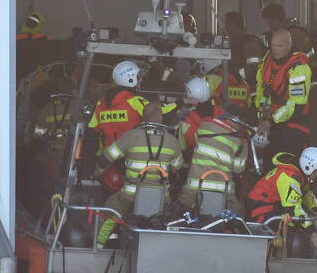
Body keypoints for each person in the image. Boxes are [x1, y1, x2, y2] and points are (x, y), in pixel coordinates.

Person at [96, 103, 184, 246]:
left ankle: (98, 245)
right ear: (160, 118)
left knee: (110, 213)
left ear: (143, 117)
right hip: (161, 197)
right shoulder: (172, 141)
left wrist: (97, 173)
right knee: (166, 219)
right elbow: (177, 168)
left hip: (130, 194)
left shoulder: (131, 136)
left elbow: (106, 158)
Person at [176, 107, 250, 215]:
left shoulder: (205, 126)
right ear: (239, 120)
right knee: (236, 214)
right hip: (223, 189)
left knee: (181, 212)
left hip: (194, 186)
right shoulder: (241, 141)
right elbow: (238, 170)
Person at [81, 61, 149, 175]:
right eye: (138, 77)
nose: (140, 80)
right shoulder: (134, 101)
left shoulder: (100, 104)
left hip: (107, 161)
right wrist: (178, 103)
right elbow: (160, 112)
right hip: (132, 160)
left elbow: (91, 132)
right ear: (130, 79)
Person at [255, 29, 313, 157]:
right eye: (273, 45)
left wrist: (271, 121)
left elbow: (295, 106)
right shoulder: (267, 61)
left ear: (289, 46)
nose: (275, 49)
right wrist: (261, 114)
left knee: (285, 160)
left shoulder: (299, 68)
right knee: (268, 161)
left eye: (279, 46)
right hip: (273, 122)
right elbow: (262, 89)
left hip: (295, 123)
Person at [245, 148, 317, 226]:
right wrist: (310, 229)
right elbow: (292, 207)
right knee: (288, 227)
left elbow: (304, 194)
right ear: (308, 167)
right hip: (260, 209)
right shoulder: (289, 177)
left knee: (291, 224)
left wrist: (313, 208)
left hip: (271, 206)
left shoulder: (300, 175)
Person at [223, 11, 265, 87]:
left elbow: (254, 68)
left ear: (238, 27)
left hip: (251, 89)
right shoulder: (238, 43)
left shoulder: (251, 44)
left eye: (229, 29)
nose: (228, 33)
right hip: (241, 86)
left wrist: (235, 77)